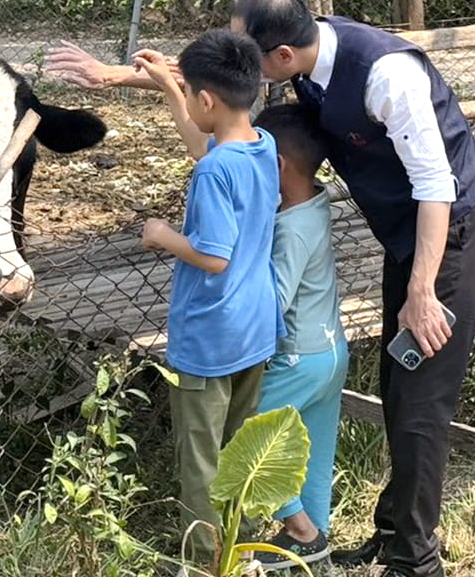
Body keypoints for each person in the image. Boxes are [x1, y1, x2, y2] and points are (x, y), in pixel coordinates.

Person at [232, 0, 475, 577]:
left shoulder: (386, 75)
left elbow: (436, 185)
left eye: (250, 58)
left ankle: (416, 562)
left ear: (282, 55)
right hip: (409, 235)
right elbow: (217, 80)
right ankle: (395, 532)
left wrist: (423, 291)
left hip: (451, 233)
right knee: (397, 386)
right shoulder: (311, 60)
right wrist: (131, 78)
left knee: (420, 400)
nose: (246, 70)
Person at [132, 30, 281, 575]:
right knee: (241, 450)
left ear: (209, 100)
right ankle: (243, 551)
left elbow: (213, 256)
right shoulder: (261, 145)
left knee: (201, 462)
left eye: (192, 94)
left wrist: (162, 235)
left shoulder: (215, 171)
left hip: (209, 336)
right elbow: (204, 143)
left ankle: (203, 564)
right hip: (254, 328)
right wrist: (171, 87)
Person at [248, 102, 348, 571]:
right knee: (315, 453)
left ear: (277, 164)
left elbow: (276, 300)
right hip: (331, 351)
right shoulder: (314, 204)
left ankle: (299, 528)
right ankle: (314, 543)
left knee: (248, 435)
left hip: (297, 357)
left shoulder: (289, 229)